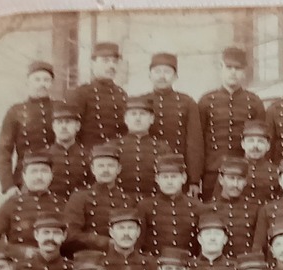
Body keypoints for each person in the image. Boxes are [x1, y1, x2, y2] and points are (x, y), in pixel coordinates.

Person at [198, 46, 266, 183]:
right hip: (213, 171)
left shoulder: (254, 102)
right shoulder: (206, 101)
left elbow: (262, 140)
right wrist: (197, 176)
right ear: (221, 68)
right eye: (229, 68)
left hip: (244, 171)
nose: (233, 73)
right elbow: (199, 141)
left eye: (238, 69)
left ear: (244, 72)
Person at [143, 52, 204, 191]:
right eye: (157, 71)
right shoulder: (142, 102)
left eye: (167, 72)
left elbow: (194, 143)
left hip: (177, 171)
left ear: (175, 76)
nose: (162, 76)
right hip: (147, 169)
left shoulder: (187, 102)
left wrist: (194, 179)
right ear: (150, 75)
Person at [0, 60, 57, 195]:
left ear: (52, 83)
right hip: (25, 179)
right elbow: (4, 151)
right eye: (37, 79)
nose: (42, 84)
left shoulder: (60, 108)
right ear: (28, 82)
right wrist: (8, 185)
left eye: (46, 80)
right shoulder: (16, 112)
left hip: (57, 177)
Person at [0, 152, 63, 250]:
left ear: (51, 175)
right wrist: (20, 252)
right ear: (24, 176)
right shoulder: (11, 204)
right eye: (33, 171)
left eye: (44, 171)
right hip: (20, 263)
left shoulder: (61, 204)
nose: (39, 177)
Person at [113, 95, 174, 199]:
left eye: (142, 114)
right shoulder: (113, 146)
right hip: (120, 203)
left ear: (151, 119)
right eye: (133, 114)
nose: (138, 118)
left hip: (153, 203)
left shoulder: (163, 148)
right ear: (125, 119)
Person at [139, 154, 200, 254]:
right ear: (157, 179)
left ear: (184, 178)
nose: (169, 182)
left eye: (174, 177)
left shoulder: (197, 207)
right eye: (165, 177)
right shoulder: (145, 206)